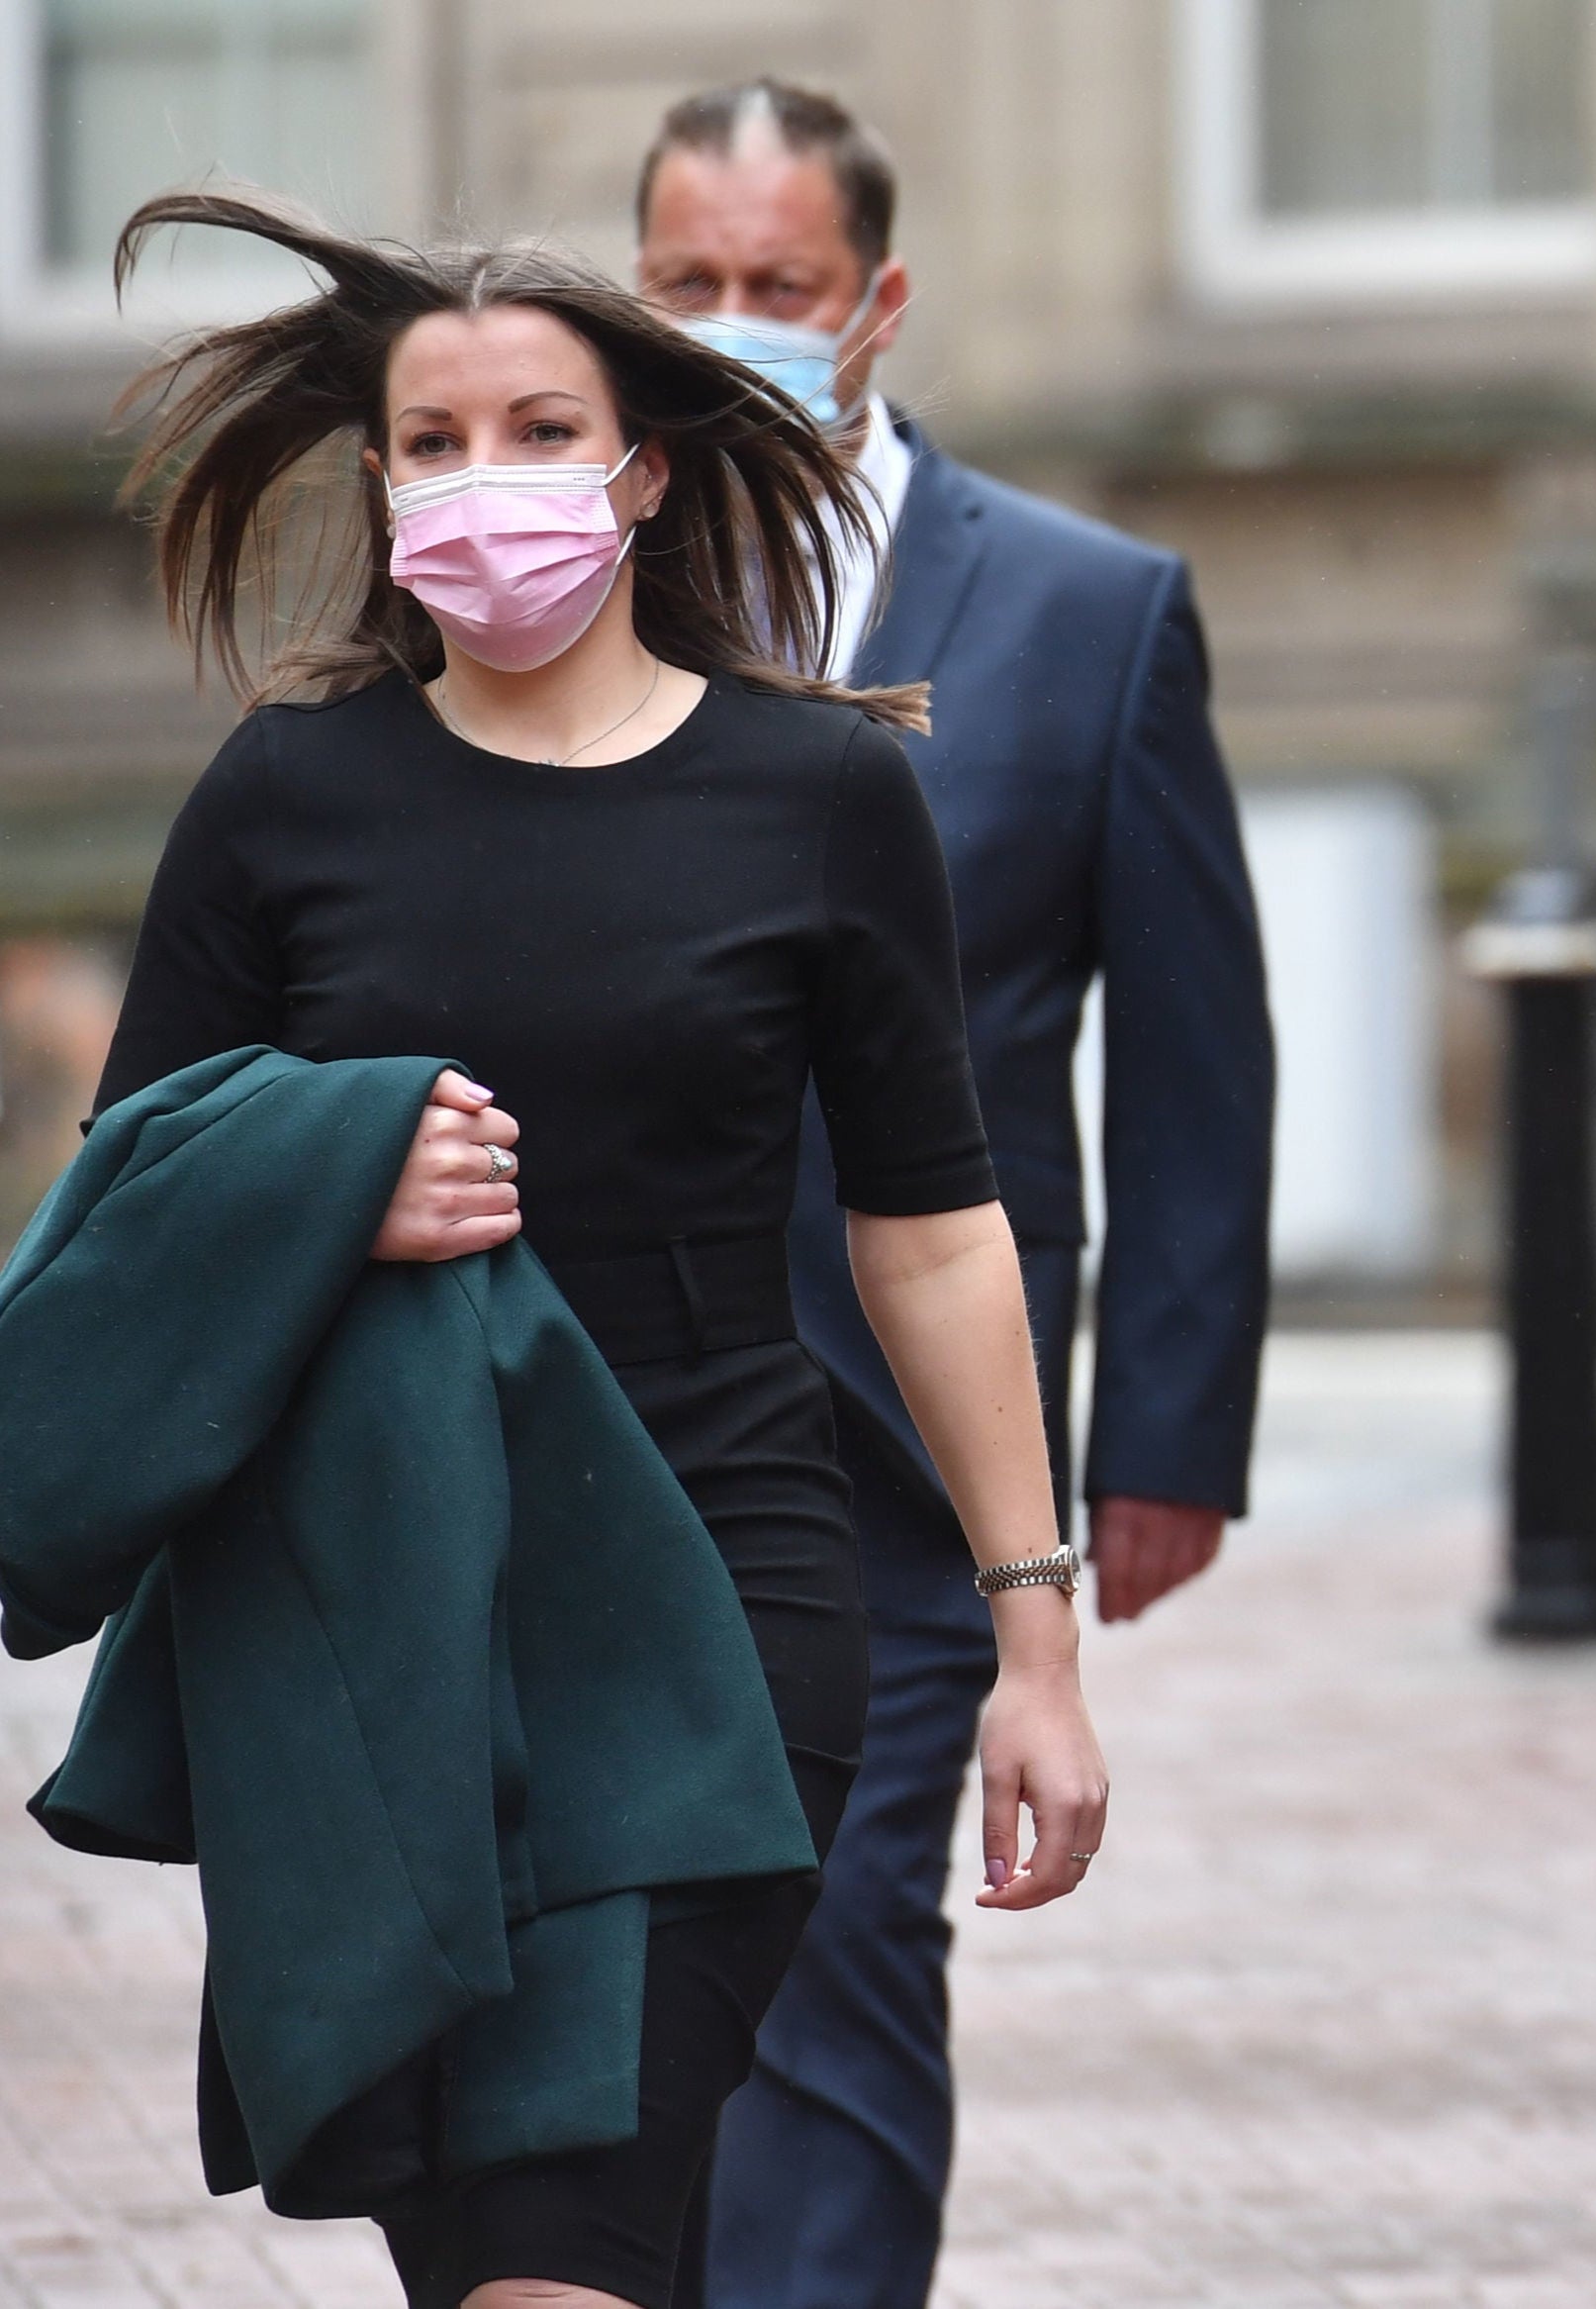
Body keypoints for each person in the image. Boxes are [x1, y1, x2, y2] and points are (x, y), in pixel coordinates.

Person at [90, 191, 1109, 2309]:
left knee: (571, 2241)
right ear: (377, 489)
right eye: (434, 443)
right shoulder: (284, 798)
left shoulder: (819, 793)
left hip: (716, 1614)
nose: (486, 484)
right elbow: (126, 1205)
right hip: (373, 1635)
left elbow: (930, 1227)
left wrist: (1034, 1634)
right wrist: (330, 1177)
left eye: (536, 429)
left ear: (640, 469)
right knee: (489, 2260)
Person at [628, 81, 1272, 2309]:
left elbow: (1196, 1053)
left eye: (776, 292)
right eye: (684, 289)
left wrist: (1169, 1436)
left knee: (825, 1964)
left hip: (913, 1433)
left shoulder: (1090, 613)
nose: (730, 331)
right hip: (598, 1398)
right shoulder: (550, 581)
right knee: (617, 1989)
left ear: (875, 303)